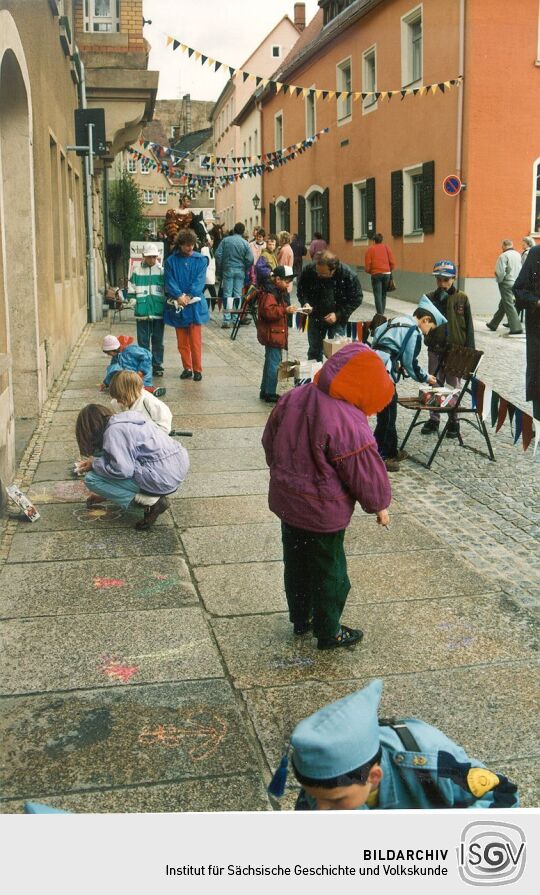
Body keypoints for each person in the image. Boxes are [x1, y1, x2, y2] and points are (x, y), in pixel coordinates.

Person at [262, 342, 393, 649]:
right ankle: (329, 630)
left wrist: (282, 472)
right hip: (322, 511)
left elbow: (270, 439)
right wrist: (379, 505)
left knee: (296, 562)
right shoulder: (347, 419)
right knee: (330, 572)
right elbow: (364, 468)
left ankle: (301, 618)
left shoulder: (295, 396)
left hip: (288, 502)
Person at [268, 679, 519, 810]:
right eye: (314, 797)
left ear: (374, 776)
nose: (321, 811)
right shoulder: (327, 785)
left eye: (335, 802)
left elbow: (503, 794)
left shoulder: (429, 761)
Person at [75, 404, 188, 530]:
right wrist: (107, 493)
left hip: (162, 476)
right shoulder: (126, 419)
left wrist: (94, 464)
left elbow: (123, 470)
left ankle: (151, 503)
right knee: (109, 465)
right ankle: (151, 495)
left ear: (89, 430)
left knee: (92, 478)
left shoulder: (113, 432)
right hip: (177, 465)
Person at [371, 296, 443, 471]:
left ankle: (391, 450)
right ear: (426, 320)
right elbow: (411, 363)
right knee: (387, 415)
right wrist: (426, 378)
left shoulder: (397, 320)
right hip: (385, 373)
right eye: (430, 328)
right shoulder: (414, 331)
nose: (427, 333)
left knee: (389, 410)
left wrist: (395, 364)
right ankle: (380, 456)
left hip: (374, 364)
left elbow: (378, 340)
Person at [421, 260, 475, 439]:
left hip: (456, 351)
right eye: (439, 280)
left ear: (453, 278)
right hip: (436, 349)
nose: (442, 284)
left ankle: (454, 421)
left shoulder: (462, 298)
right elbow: (423, 324)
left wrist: (470, 353)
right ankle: (434, 419)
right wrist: (428, 338)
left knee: (454, 386)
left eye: (446, 280)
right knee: (434, 384)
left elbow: (469, 327)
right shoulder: (430, 297)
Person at [297, 250, 362, 362]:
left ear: (333, 270)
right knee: (314, 351)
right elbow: (301, 290)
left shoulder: (347, 275)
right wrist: (305, 303)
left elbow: (356, 298)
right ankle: (315, 376)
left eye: (322, 274)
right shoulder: (310, 270)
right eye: (317, 272)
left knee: (337, 353)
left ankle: (333, 377)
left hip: (337, 319)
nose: (318, 275)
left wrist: (338, 315)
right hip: (315, 316)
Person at [164, 229, 209, 382]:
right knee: (182, 341)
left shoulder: (201, 260)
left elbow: (199, 280)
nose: (190, 248)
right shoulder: (171, 261)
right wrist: (178, 295)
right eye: (186, 245)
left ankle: (197, 369)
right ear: (180, 245)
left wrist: (189, 295)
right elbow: (169, 280)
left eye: (192, 245)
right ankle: (187, 367)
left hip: (194, 304)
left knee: (195, 340)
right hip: (179, 304)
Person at [122, 243, 166, 376]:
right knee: (143, 341)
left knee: (158, 340)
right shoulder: (136, 270)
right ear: (143, 256)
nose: (151, 259)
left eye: (154, 257)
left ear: (157, 256)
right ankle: (145, 365)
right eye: (149, 257)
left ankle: (157, 365)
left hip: (158, 311)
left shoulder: (162, 271)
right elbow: (131, 288)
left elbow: (166, 290)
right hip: (142, 311)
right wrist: (133, 301)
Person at [256, 265, 298, 403]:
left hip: (276, 332)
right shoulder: (270, 293)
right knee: (274, 363)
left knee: (270, 362)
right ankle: (270, 392)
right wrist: (285, 310)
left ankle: (265, 390)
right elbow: (268, 312)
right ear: (278, 279)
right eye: (286, 281)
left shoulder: (277, 291)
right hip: (273, 333)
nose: (288, 284)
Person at [513, 243, 540, 421]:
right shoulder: (535, 254)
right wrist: (536, 302)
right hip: (538, 328)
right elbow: (519, 288)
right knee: (538, 376)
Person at [214, 222, 254, 329]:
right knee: (237, 295)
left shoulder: (226, 240)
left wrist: (222, 266)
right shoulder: (245, 243)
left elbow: (217, 255)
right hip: (240, 270)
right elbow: (250, 259)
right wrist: (244, 267)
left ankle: (227, 320)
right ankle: (236, 319)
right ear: (242, 231)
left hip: (228, 269)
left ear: (234, 230)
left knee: (227, 294)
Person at [100, 334, 166, 397]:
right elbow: (113, 373)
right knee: (123, 383)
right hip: (131, 375)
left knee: (136, 387)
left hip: (142, 373)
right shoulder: (116, 357)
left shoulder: (131, 350)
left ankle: (152, 389)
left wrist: (141, 371)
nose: (108, 354)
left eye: (108, 352)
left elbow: (147, 355)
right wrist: (106, 382)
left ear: (114, 349)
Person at [486, 239, 523, 335]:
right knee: (504, 303)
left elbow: (500, 272)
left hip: (506, 282)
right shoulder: (518, 254)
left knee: (508, 304)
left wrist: (499, 280)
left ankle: (516, 328)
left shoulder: (503, 256)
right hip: (516, 282)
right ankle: (493, 324)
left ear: (503, 246)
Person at [363, 233, 395, 315]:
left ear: (374, 241)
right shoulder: (386, 248)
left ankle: (380, 315)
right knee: (383, 295)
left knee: (377, 295)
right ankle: (382, 314)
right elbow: (392, 263)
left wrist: (371, 271)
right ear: (381, 240)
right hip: (387, 273)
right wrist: (388, 270)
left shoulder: (370, 249)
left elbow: (367, 267)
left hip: (376, 274)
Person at [200, 239, 217, 310]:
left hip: (209, 274)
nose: (212, 242)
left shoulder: (210, 250)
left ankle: (211, 305)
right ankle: (212, 305)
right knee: (211, 292)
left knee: (204, 290)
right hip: (208, 274)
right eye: (211, 241)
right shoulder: (205, 249)